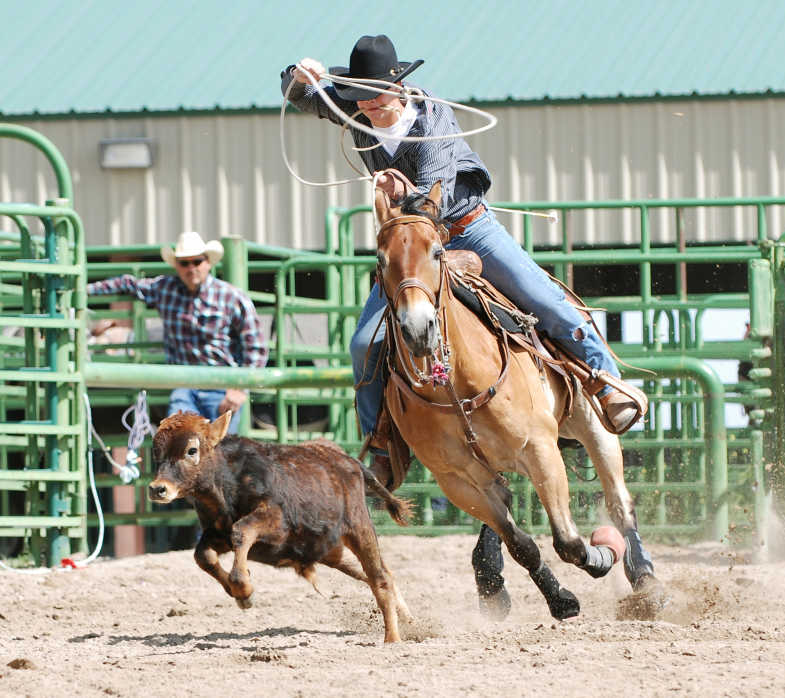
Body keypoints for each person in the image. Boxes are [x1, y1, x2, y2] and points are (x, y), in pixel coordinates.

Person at [280, 34, 644, 467]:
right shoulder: (356, 109)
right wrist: (297, 74)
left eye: (376, 97)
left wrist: (401, 190)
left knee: (544, 299)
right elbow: (300, 96)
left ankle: (606, 381)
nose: (370, 107)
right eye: (359, 98)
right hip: (413, 245)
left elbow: (434, 194)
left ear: (397, 86)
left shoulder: (434, 118)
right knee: (363, 344)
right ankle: (381, 440)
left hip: (468, 228)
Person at [87, 231, 268, 434]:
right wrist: (85, 290)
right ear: (177, 266)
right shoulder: (165, 289)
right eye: (184, 263)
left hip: (222, 385)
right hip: (184, 383)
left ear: (208, 263)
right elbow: (127, 284)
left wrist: (240, 389)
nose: (191, 268)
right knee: (178, 444)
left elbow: (256, 347)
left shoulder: (231, 297)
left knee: (218, 452)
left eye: (197, 261)